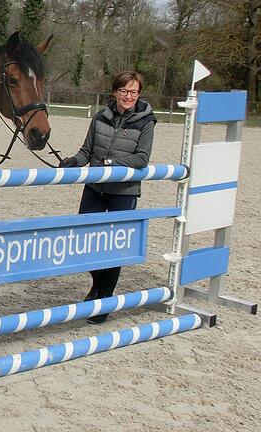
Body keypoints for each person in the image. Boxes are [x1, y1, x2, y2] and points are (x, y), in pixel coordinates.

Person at [59, 71, 156, 324]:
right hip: (95, 188)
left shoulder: (146, 121)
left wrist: (112, 163)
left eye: (133, 92)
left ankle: (104, 297)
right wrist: (73, 162)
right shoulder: (100, 116)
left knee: (114, 247)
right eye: (124, 91)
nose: (128, 96)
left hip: (123, 192)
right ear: (115, 92)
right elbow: (86, 151)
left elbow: (142, 158)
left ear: (139, 94)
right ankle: (96, 285)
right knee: (85, 242)